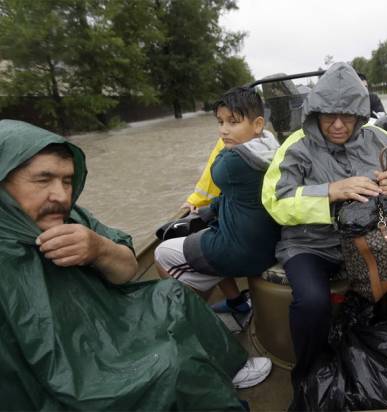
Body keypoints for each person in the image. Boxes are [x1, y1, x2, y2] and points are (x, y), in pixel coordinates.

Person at [0, 119, 271, 410]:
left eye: (67, 181)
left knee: (173, 293)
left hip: (110, 318)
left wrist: (98, 248)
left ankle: (233, 367)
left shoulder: (73, 216)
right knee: (173, 364)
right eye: (43, 179)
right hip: (76, 369)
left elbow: (128, 269)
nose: (62, 196)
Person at [261, 62, 387, 381]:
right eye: (328, 116)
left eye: (348, 116)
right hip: (311, 245)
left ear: (361, 114)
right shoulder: (295, 146)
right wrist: (329, 192)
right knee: (312, 302)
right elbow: (275, 201)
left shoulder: (380, 137)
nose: (338, 125)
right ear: (315, 113)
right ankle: (310, 376)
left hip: (375, 241)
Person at [155, 87, 281, 314]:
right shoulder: (270, 146)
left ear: (258, 124)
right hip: (266, 243)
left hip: (243, 251)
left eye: (233, 122)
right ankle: (237, 302)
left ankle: (193, 320)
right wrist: (206, 211)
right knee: (205, 229)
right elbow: (229, 197)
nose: (223, 131)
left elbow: (217, 167)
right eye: (220, 122)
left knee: (162, 253)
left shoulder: (235, 161)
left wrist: (225, 149)